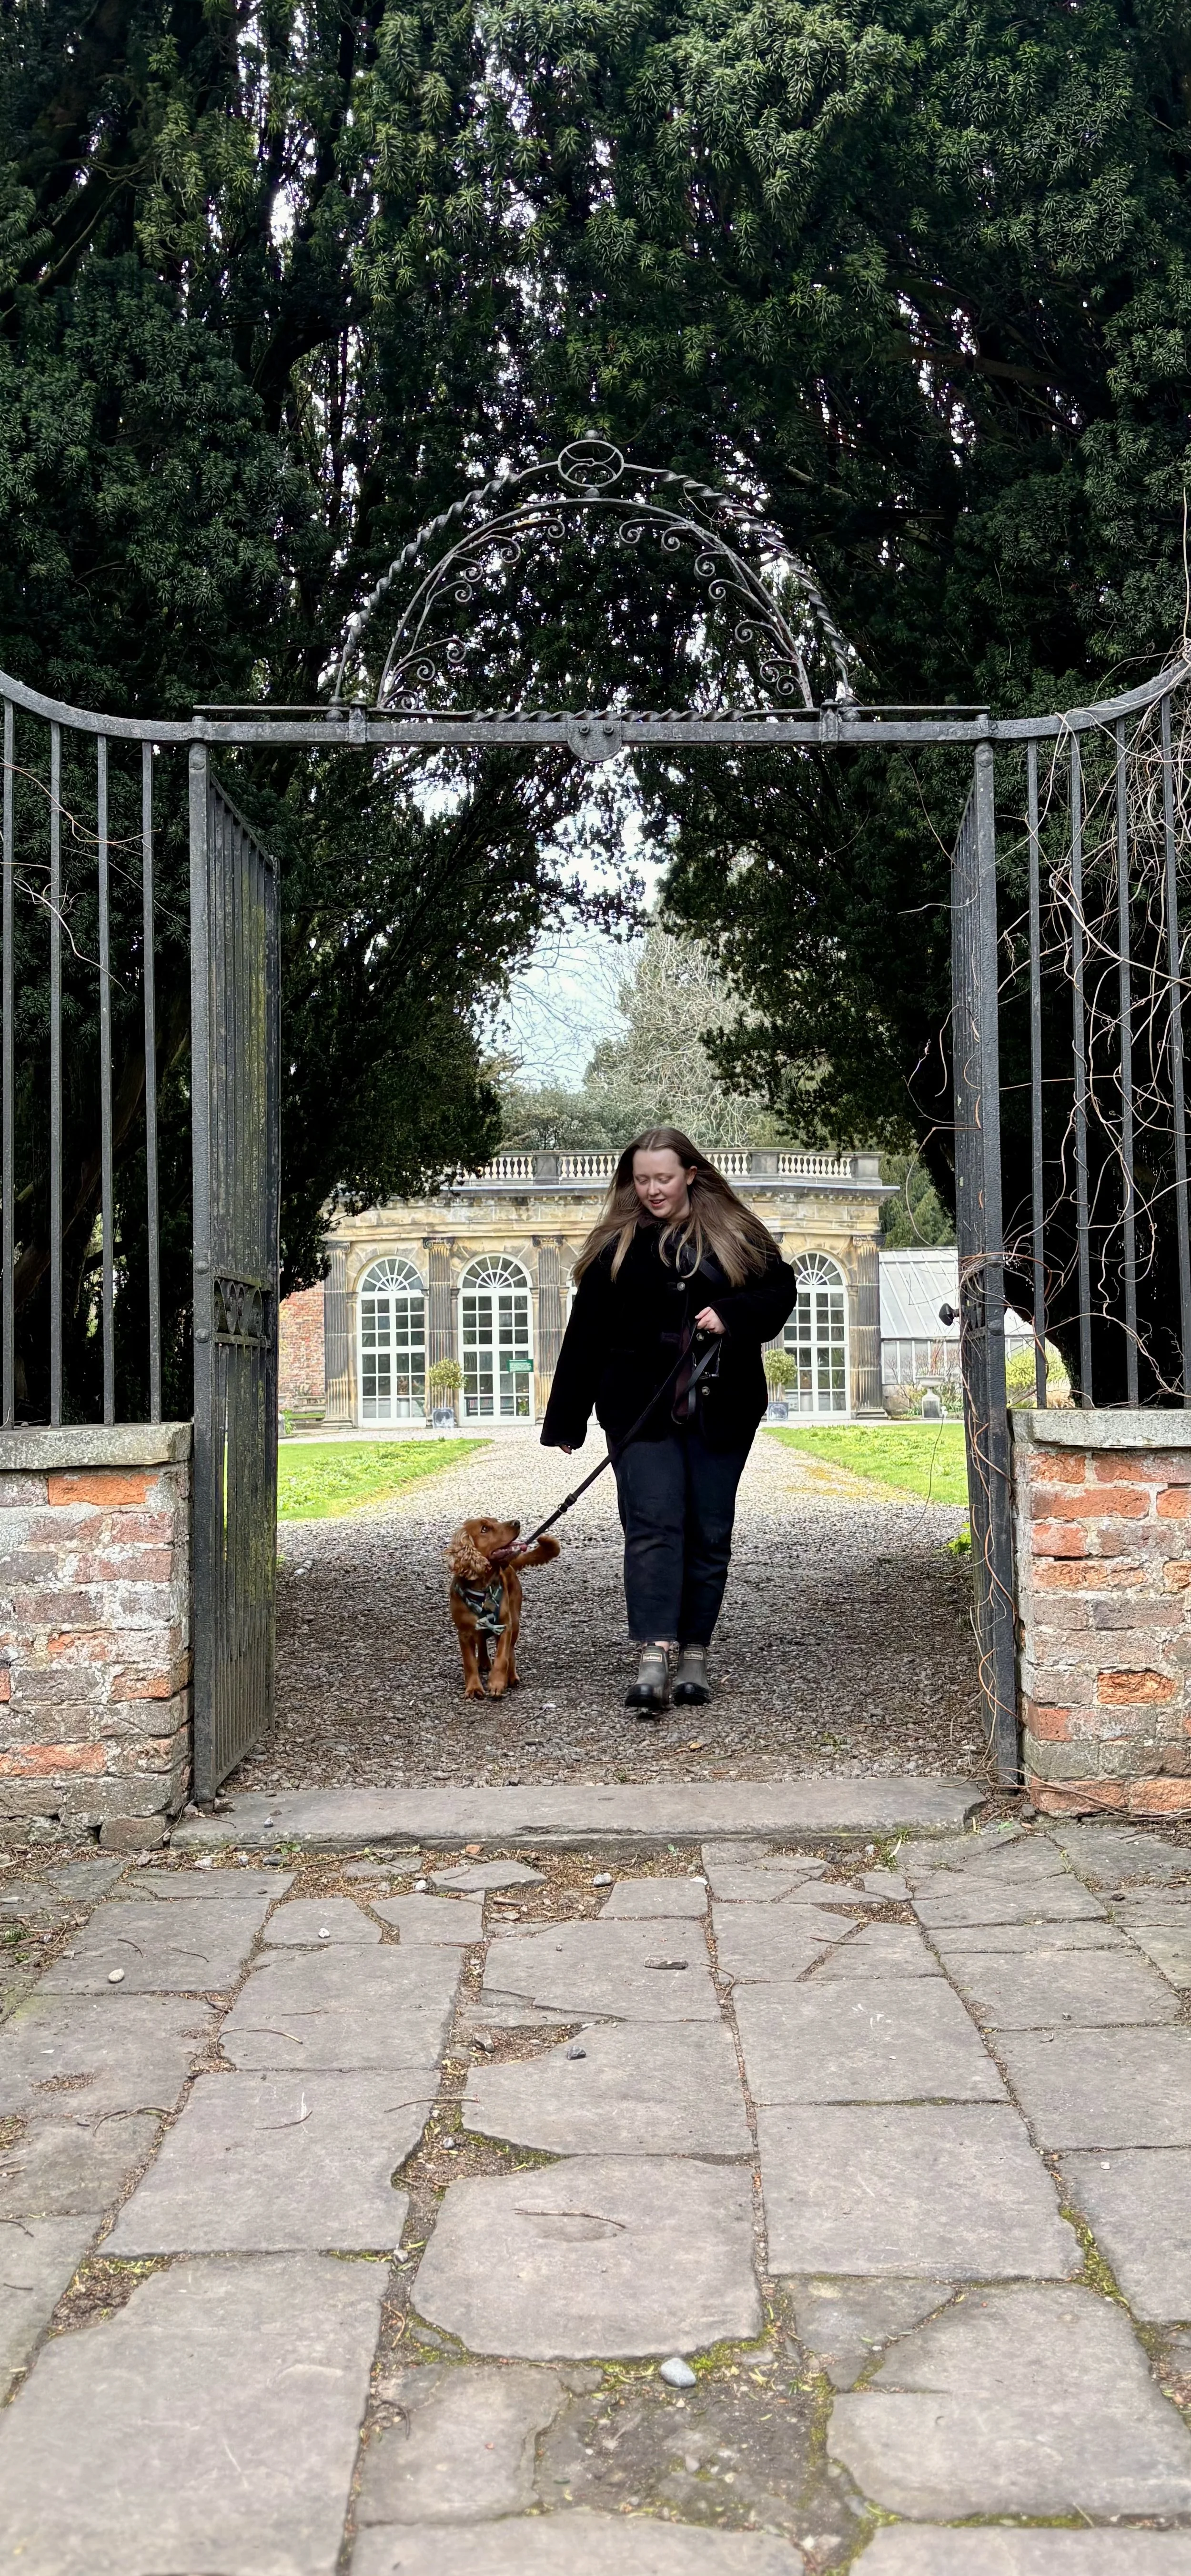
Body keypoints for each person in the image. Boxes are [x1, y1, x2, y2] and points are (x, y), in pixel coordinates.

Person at [540, 1127, 797, 1716]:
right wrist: (567, 1419)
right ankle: (653, 1654)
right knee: (653, 1525)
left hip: (722, 1407)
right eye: (642, 1179)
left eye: (663, 1177)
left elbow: (782, 1293)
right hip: (639, 1410)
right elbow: (585, 1337)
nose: (652, 1189)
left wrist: (731, 1313)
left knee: (710, 1533)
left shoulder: (738, 1234)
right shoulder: (616, 1244)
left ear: (690, 1174)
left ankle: (695, 1658)